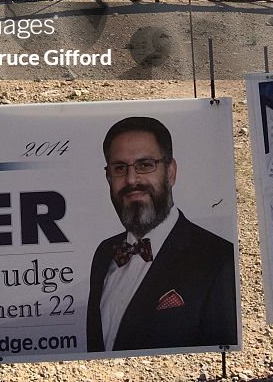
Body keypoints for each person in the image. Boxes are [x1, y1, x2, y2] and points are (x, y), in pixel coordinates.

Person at [86, 116, 237, 353]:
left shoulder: (218, 258)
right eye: (119, 168)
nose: (131, 179)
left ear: (171, 172)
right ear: (108, 177)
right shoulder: (104, 253)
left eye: (145, 165)